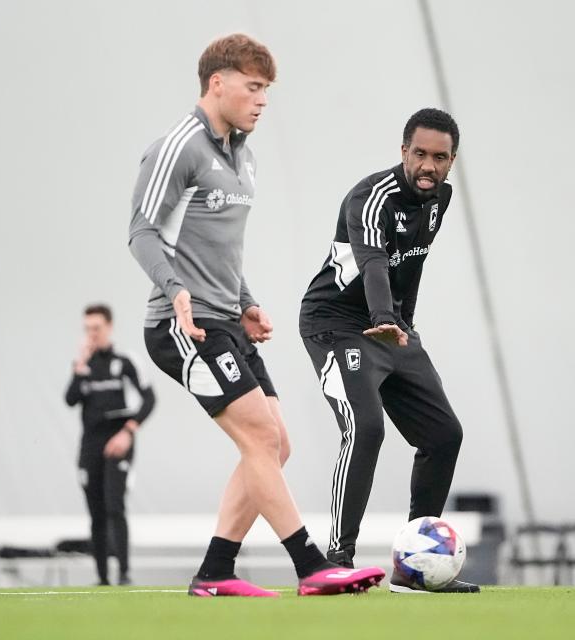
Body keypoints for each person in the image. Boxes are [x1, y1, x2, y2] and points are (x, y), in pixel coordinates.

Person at [127, 33, 383, 597]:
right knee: (263, 439)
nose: (262, 99)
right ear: (217, 83)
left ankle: (215, 572)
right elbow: (141, 232)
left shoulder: (245, 157)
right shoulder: (179, 146)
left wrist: (245, 302)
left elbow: (221, 249)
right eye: (253, 86)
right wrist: (174, 291)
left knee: (275, 445)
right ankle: (311, 565)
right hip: (182, 325)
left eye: (266, 89)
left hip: (225, 321)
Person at [298, 108, 479, 593]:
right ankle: (337, 559)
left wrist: (402, 324)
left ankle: (414, 566)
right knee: (366, 427)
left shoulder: (440, 198)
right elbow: (375, 262)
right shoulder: (370, 196)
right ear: (403, 152)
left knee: (444, 435)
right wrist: (382, 317)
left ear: (451, 161)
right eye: (419, 153)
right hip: (337, 325)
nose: (428, 165)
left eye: (439, 158)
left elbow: (412, 267)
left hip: (393, 327)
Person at [65, 303, 155, 586]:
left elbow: (149, 399)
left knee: (115, 504)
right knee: (96, 511)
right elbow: (70, 400)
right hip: (90, 444)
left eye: (96, 328)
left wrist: (127, 432)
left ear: (109, 327)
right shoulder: (83, 366)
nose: (92, 334)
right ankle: (102, 578)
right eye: (87, 329)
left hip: (118, 440)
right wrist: (79, 368)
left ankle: (124, 574)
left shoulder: (125, 362)